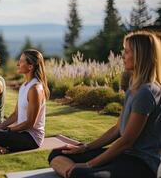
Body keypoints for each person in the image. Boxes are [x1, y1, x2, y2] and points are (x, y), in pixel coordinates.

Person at [48, 31, 161, 178]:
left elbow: (126, 141)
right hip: (122, 155)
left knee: (81, 173)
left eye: (127, 51)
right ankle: (73, 173)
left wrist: (90, 164)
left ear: (140, 55)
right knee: (57, 153)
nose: (122, 56)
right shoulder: (134, 88)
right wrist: (85, 148)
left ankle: (75, 173)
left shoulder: (147, 92)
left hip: (140, 163)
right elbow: (117, 129)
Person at [0, 49, 50, 154]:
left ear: (30, 66)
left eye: (21, 61)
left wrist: (7, 130)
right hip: (19, 132)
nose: (18, 64)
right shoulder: (24, 86)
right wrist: (1, 126)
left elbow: (30, 123)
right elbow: (16, 114)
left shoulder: (35, 89)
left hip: (31, 138)